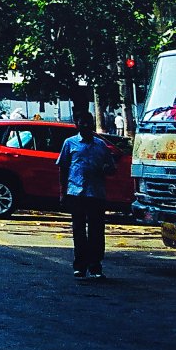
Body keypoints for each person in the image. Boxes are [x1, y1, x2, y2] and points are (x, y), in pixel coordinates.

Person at [55, 111, 116, 280]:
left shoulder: (100, 145)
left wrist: (106, 169)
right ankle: (80, 266)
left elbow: (112, 167)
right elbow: (63, 169)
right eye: (83, 123)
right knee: (79, 231)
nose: (86, 126)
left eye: (89, 123)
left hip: (96, 194)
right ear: (77, 124)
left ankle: (95, 265)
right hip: (76, 192)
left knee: (97, 231)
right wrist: (63, 193)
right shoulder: (70, 143)